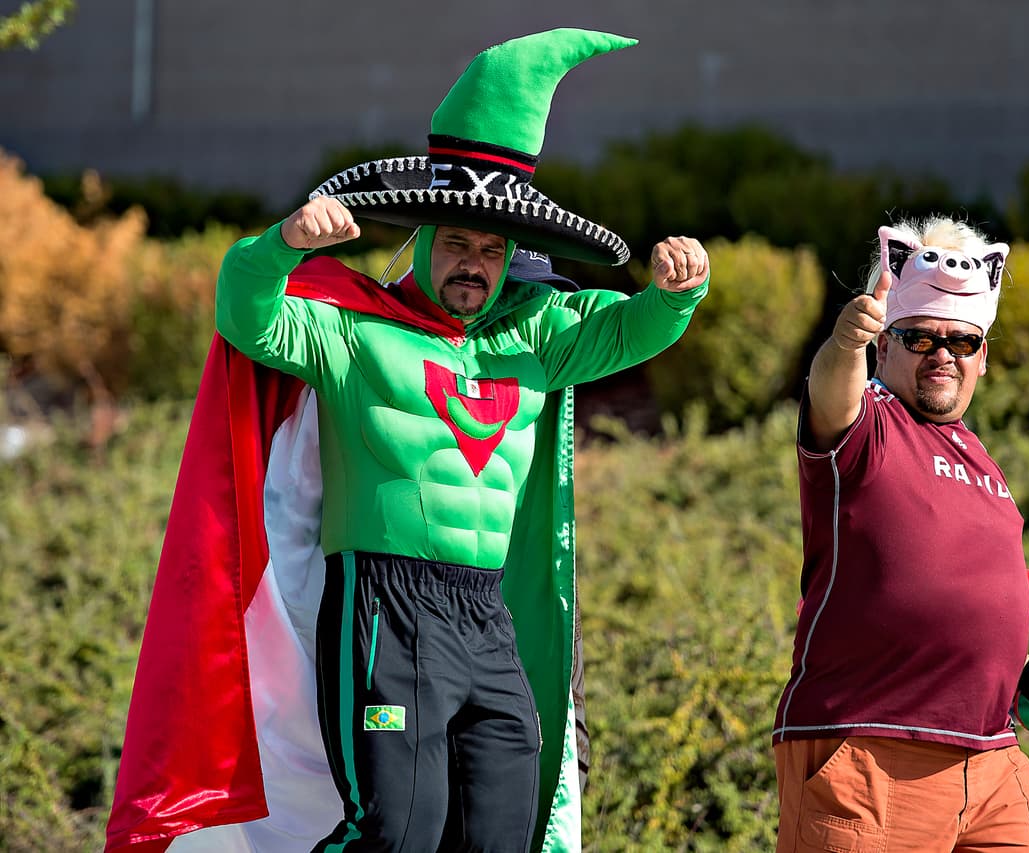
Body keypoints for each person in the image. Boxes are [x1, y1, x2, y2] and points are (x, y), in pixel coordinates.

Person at [105, 28, 709, 853]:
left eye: (492, 250)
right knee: (395, 833)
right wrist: (282, 245)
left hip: (486, 613)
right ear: (422, 241)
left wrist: (682, 291)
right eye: (457, 242)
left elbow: (634, 330)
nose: (474, 263)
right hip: (383, 606)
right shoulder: (355, 335)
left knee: (503, 833)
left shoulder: (537, 340)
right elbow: (244, 315)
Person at [772, 216, 1029, 852]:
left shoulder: (980, 455)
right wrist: (846, 341)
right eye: (920, 338)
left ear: (983, 355)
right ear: (887, 343)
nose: (943, 355)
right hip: (872, 750)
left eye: (962, 342)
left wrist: (1009, 673)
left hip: (993, 759)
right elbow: (829, 392)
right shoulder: (867, 422)